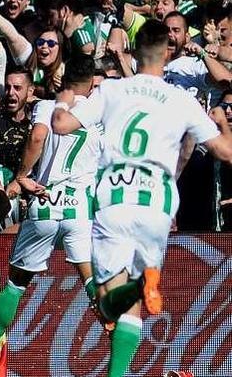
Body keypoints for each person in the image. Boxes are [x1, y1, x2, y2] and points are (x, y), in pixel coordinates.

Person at [51, 19, 232, 377]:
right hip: (158, 203)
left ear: (133, 52)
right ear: (168, 53)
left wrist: (62, 99)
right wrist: (221, 123)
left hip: (115, 198)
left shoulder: (113, 90)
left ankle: (137, 285)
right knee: (131, 309)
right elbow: (226, 153)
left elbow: (61, 125)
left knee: (107, 304)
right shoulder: (182, 99)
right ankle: (139, 291)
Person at [0, 55, 103, 375]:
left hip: (44, 202)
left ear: (63, 78)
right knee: (90, 281)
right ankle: (114, 334)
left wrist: (23, 174)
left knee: (16, 284)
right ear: (92, 83)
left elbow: (39, 137)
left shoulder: (47, 106)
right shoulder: (100, 108)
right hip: (79, 206)